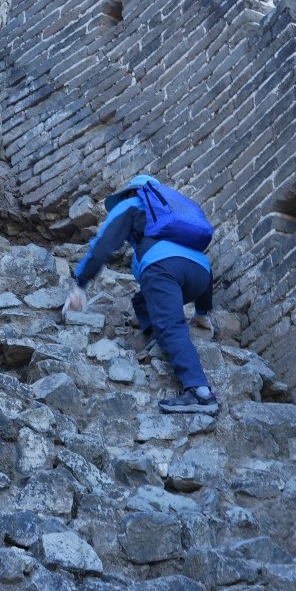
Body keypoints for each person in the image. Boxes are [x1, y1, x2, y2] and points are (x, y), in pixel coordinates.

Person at [62, 174, 219, 415]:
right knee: (142, 300)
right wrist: (201, 313)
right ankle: (158, 337)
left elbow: (103, 245)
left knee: (172, 324)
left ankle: (200, 392)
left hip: (165, 268)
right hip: (201, 273)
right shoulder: (176, 216)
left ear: (129, 193)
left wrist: (80, 284)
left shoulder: (132, 203)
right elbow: (199, 269)